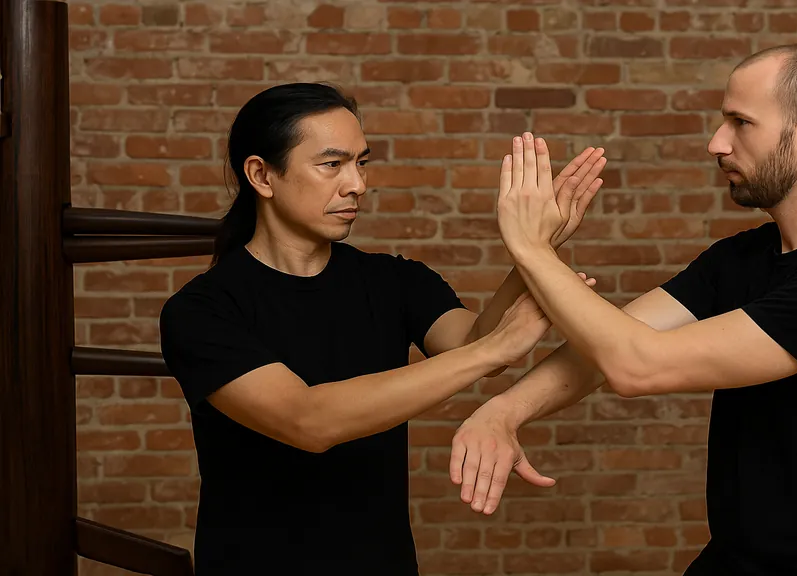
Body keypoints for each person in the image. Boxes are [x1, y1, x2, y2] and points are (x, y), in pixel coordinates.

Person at [450, 43, 797, 576]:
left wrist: (532, 250)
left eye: (740, 122)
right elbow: (604, 348)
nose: (717, 142)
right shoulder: (741, 258)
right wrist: (504, 411)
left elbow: (638, 364)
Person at [157, 82, 606, 575]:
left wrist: (532, 249)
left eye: (361, 162)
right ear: (262, 175)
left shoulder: (395, 280)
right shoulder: (201, 311)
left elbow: (470, 345)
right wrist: (494, 349)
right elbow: (308, 421)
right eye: (332, 165)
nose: (357, 185)